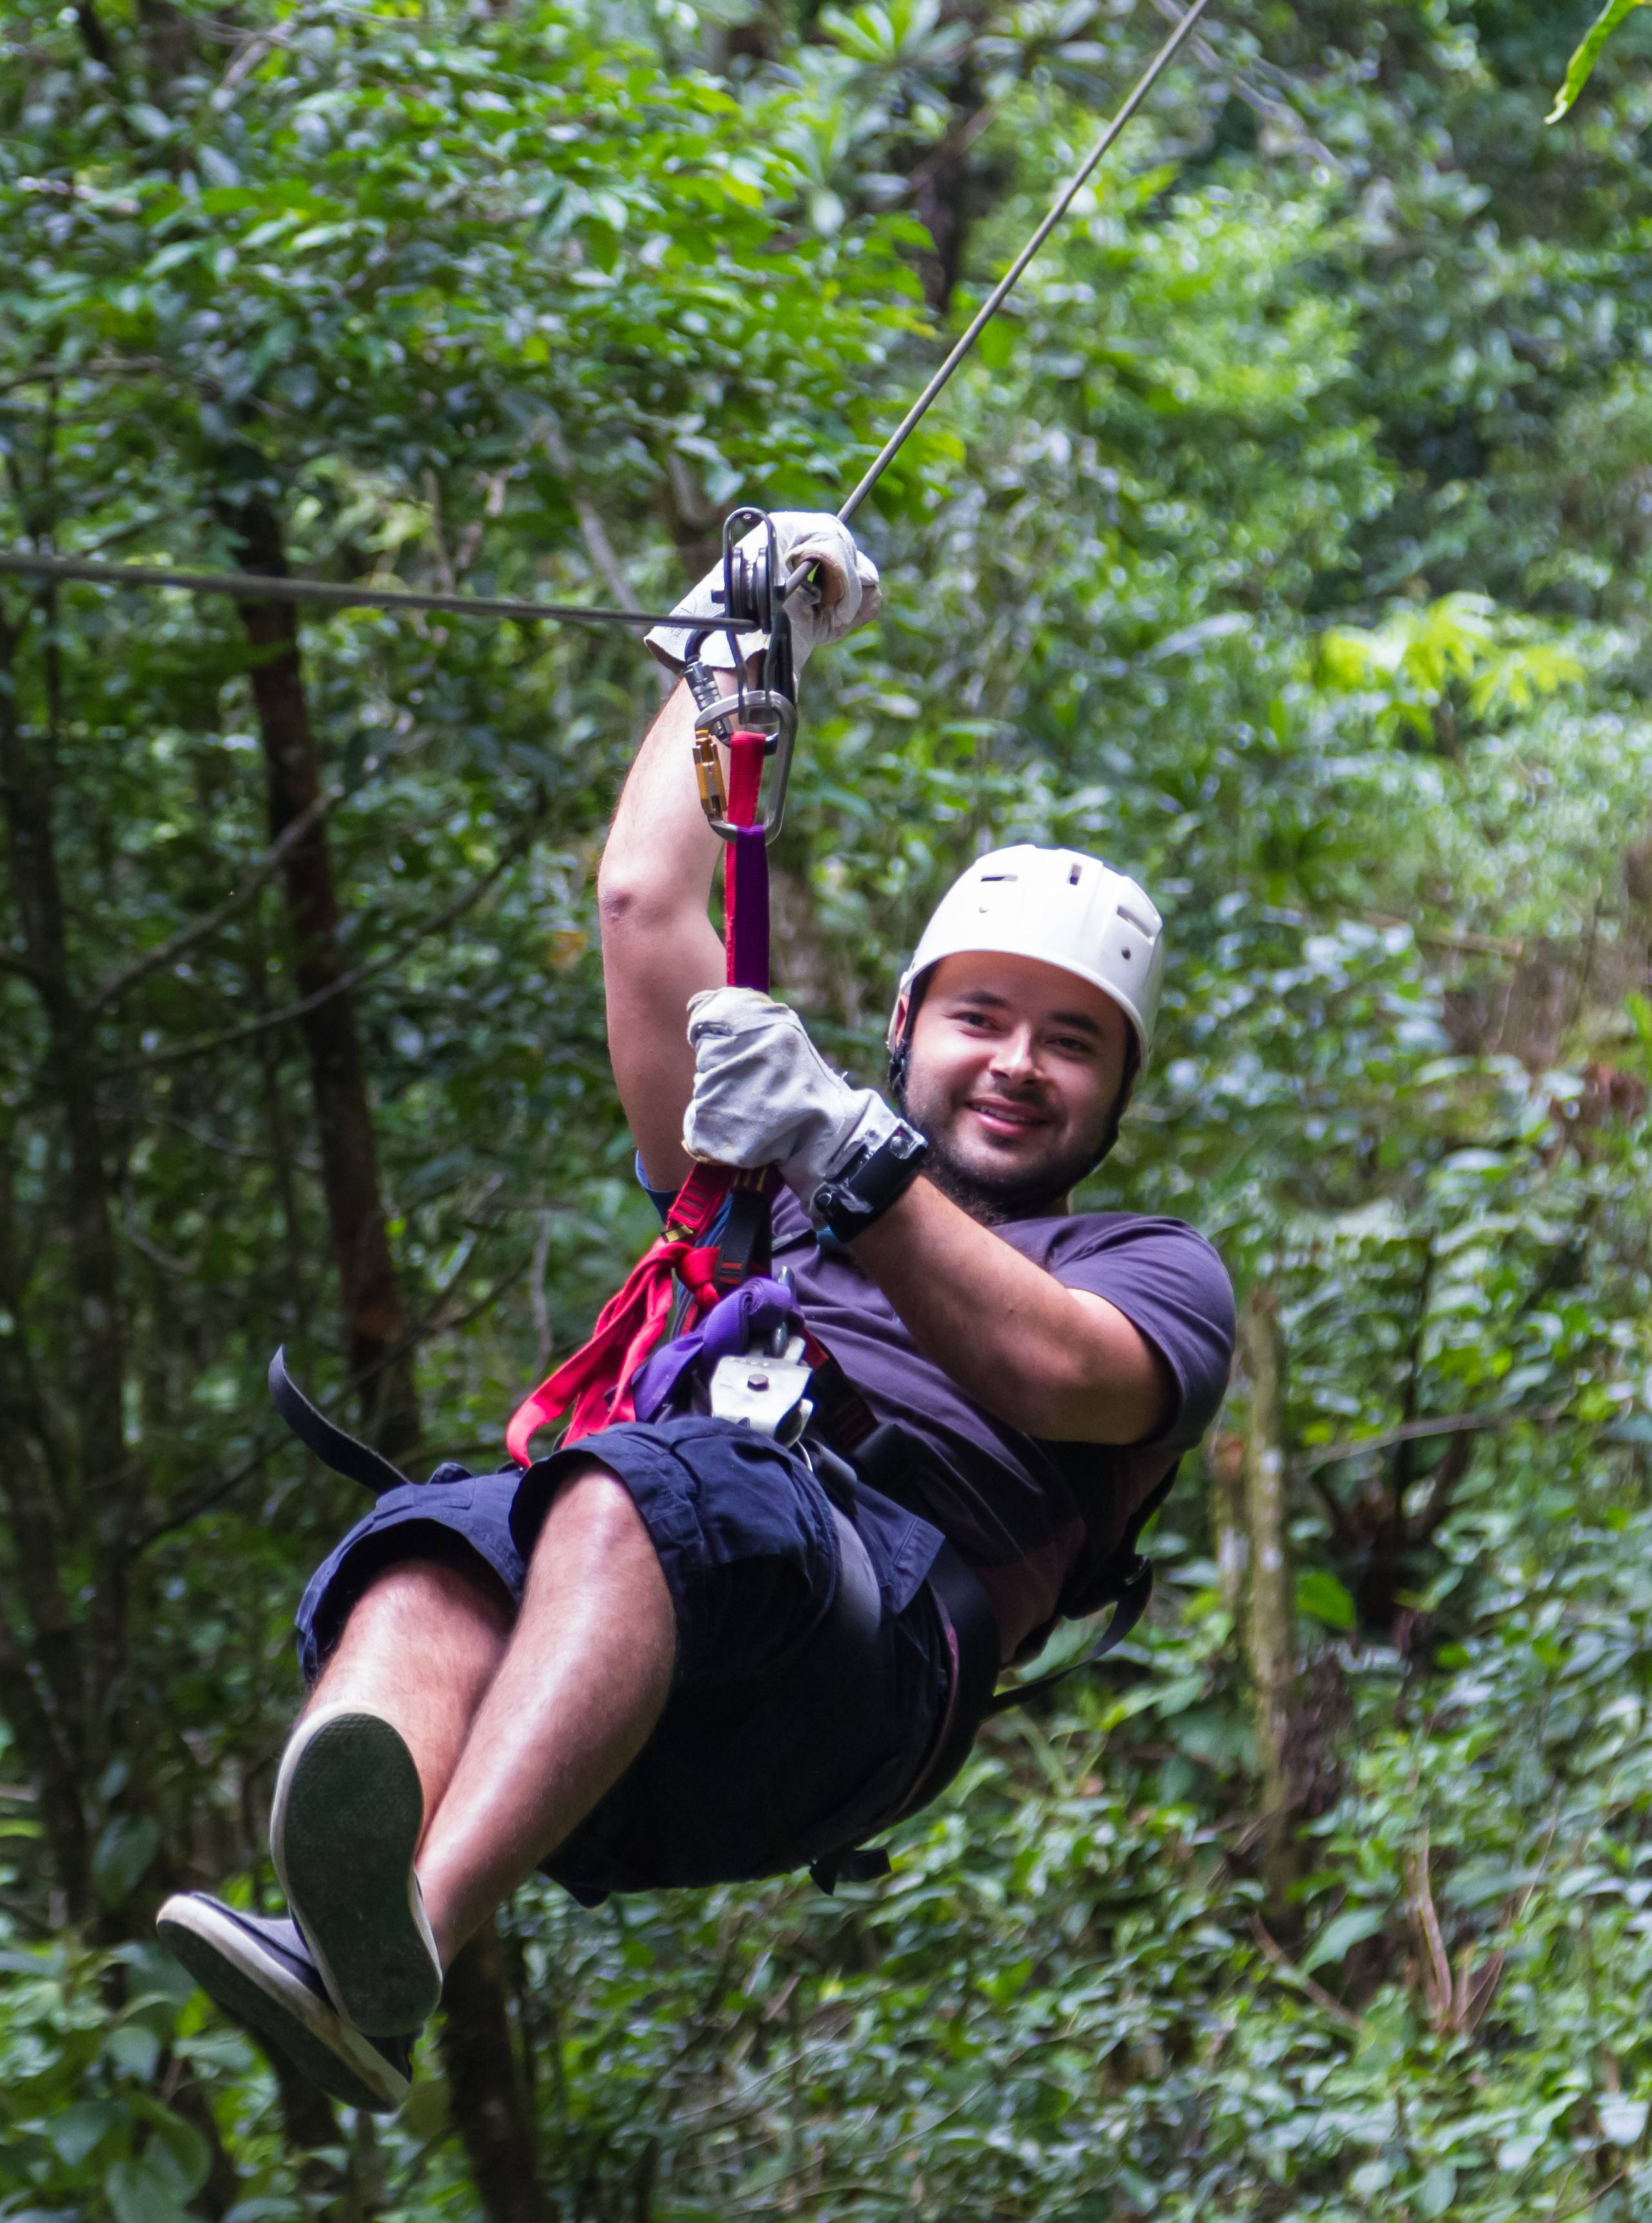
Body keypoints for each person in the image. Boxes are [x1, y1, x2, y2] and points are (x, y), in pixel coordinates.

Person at [156, 513, 1237, 2111]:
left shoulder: (1146, 1268)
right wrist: (732, 651)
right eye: (983, 1018)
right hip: (637, 1709)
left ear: (1117, 1093)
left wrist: (848, 1156)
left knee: (632, 1494)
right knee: (436, 1545)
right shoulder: (767, 1176)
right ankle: (351, 1917)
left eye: (1071, 1042)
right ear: (906, 1029)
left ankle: (400, 1959)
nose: (1018, 1062)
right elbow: (644, 907)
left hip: (866, 1659)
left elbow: (1053, 1368)